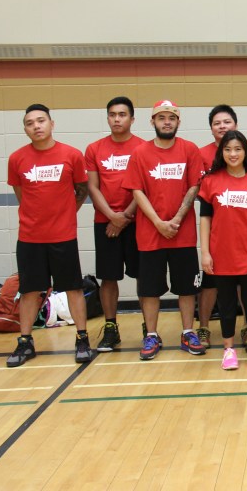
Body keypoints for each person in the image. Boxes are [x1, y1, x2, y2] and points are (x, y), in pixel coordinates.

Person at [6, 104, 93, 367]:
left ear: (51, 124)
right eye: (30, 123)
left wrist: (67, 213)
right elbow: (21, 195)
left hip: (63, 237)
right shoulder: (16, 158)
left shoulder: (72, 155)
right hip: (30, 238)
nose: (36, 126)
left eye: (41, 120)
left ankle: (82, 338)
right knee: (30, 291)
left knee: (73, 289)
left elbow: (82, 189)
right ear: (25, 129)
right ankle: (25, 342)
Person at [122, 99, 206, 360]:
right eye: (161, 117)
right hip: (150, 235)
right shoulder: (140, 153)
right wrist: (158, 223)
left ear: (178, 122)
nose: (166, 121)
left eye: (171, 117)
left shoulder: (190, 150)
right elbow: (137, 190)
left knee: (186, 287)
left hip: (183, 234)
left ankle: (188, 332)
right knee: (149, 289)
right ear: (153, 122)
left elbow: (194, 187)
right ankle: (151, 335)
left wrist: (177, 219)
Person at [199, 131, 247, 369]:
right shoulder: (211, 181)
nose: (233, 154)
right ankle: (228, 350)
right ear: (221, 153)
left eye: (238, 149)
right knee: (227, 305)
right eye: (228, 149)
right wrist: (205, 252)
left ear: (245, 152)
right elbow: (205, 220)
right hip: (221, 255)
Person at [85, 96, 145, 351]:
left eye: (122, 114)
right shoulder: (94, 149)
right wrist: (112, 216)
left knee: (144, 276)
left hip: (137, 221)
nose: (117, 119)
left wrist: (124, 218)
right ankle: (111, 328)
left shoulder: (143, 148)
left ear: (132, 118)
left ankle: (148, 328)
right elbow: (92, 187)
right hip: (105, 222)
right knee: (109, 278)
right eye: (112, 114)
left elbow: (144, 188)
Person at [195, 104, 238, 349]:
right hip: (216, 229)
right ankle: (203, 328)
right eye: (217, 123)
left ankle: (245, 328)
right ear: (211, 128)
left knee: (244, 280)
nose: (222, 126)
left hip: (243, 228)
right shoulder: (202, 154)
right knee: (210, 281)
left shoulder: (245, 150)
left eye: (227, 122)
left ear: (235, 125)